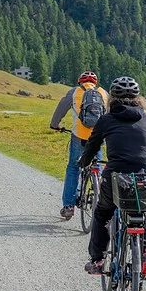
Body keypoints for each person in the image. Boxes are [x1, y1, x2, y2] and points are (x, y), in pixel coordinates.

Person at [79, 76, 146, 276]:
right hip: (145, 176)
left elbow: (92, 144)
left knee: (102, 213)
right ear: (138, 98)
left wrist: (84, 161)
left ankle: (98, 260)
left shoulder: (107, 119)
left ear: (112, 98)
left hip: (116, 176)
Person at [50, 71, 108, 219]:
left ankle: (69, 206)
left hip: (79, 137)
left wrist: (55, 125)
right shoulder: (103, 93)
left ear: (80, 82)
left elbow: (60, 109)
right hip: (98, 138)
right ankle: (101, 203)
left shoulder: (74, 92)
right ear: (95, 83)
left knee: (73, 168)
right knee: (98, 166)